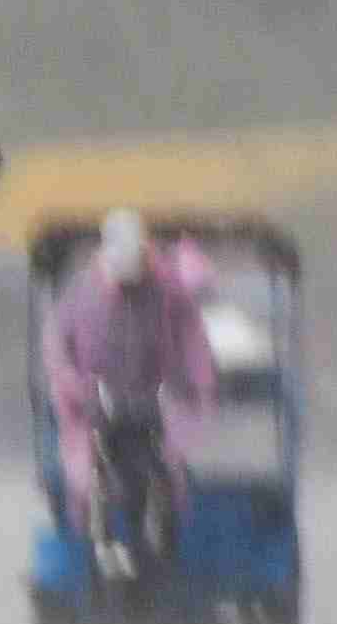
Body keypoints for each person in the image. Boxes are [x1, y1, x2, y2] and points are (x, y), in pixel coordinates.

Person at [43, 211, 212, 567]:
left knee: (164, 474)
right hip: (96, 411)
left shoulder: (170, 291)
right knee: (92, 479)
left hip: (156, 407)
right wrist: (76, 390)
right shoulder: (81, 295)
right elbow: (58, 349)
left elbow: (193, 344)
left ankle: (161, 548)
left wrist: (191, 386)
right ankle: (98, 545)